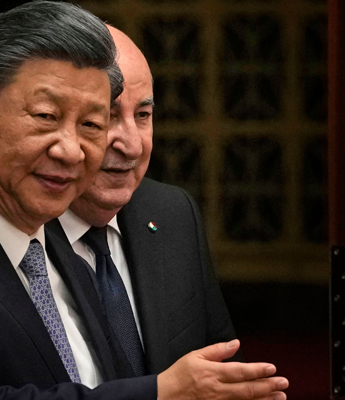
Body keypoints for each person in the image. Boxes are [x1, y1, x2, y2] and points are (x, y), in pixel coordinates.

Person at [0, 2, 288, 399]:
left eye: (91, 124)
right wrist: (158, 394)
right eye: (47, 116)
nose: (71, 150)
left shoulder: (53, 231)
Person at [55, 26, 288, 400]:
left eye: (143, 115)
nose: (133, 145)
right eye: (106, 117)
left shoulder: (171, 212)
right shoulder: (20, 230)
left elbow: (221, 372)